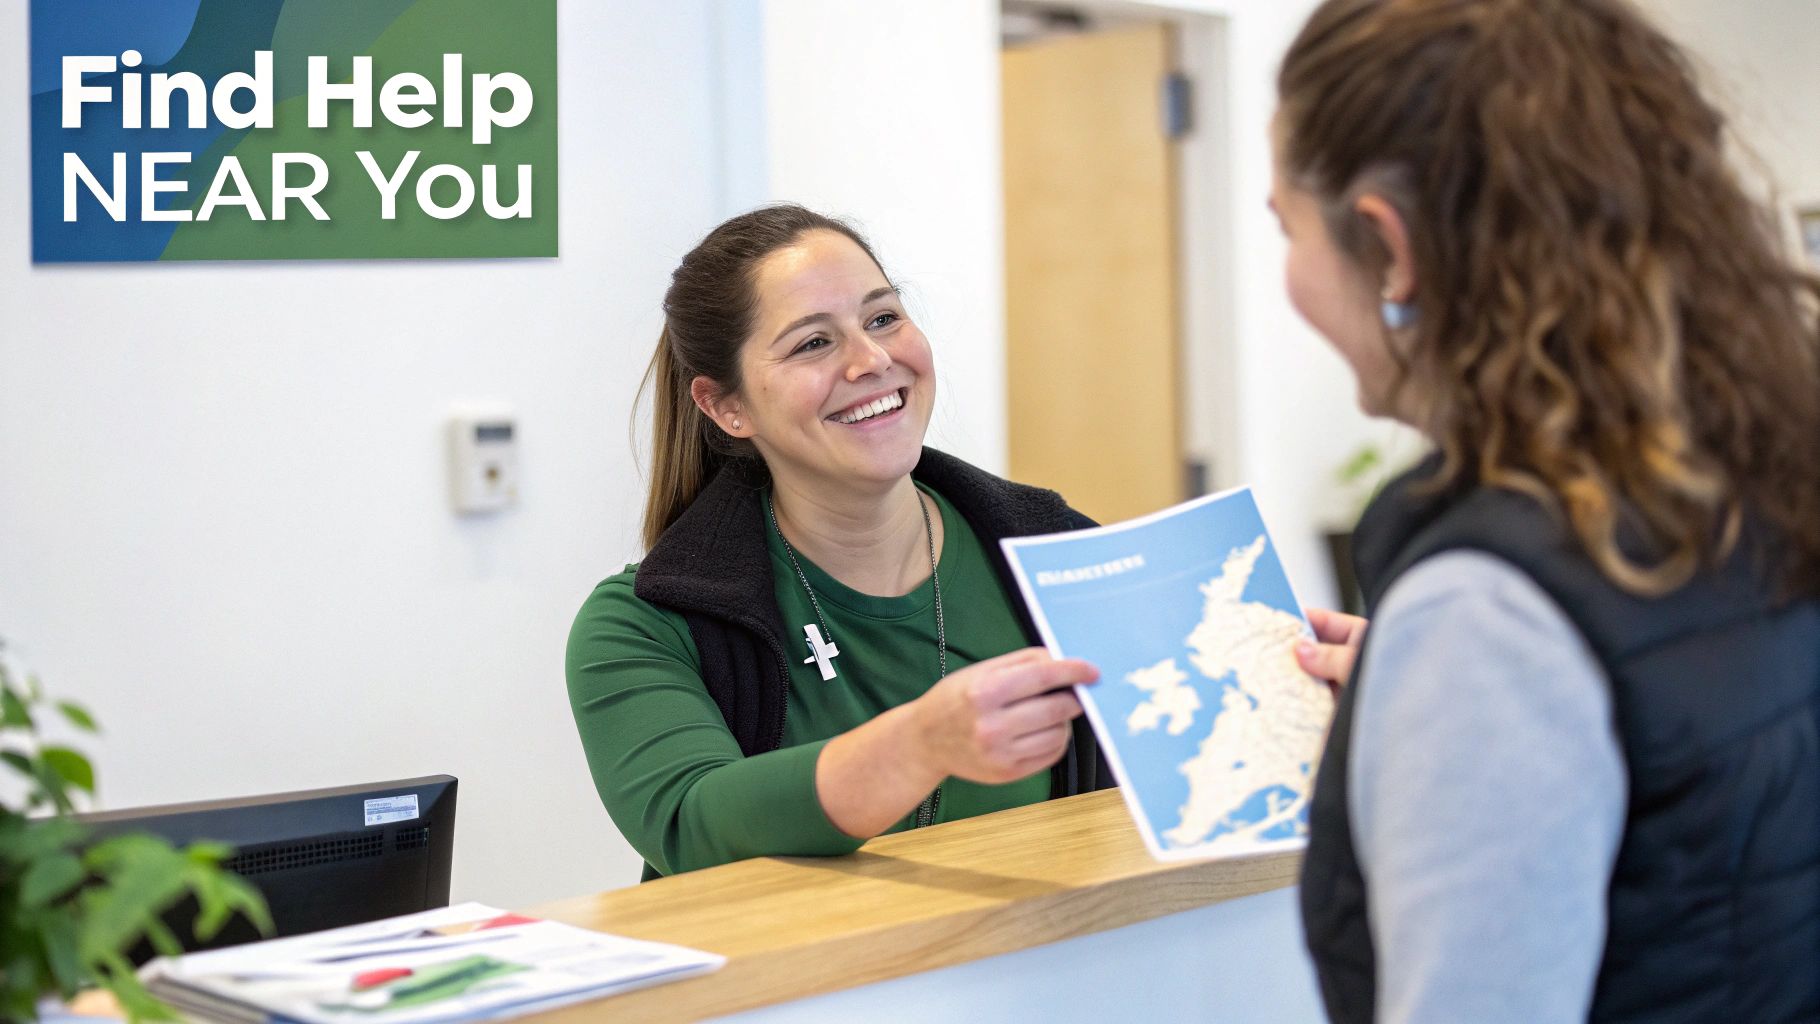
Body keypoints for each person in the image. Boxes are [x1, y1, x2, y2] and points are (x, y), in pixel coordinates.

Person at [1270, 0, 1820, 1020]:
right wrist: (1424, 712)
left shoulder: (1487, 606)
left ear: (1387, 250)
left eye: (1284, 225)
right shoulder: (1751, 482)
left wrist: (1461, 680)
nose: (1288, 277)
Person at [566, 205, 1114, 880]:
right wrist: (920, 744)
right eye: (813, 344)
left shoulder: (1066, 556)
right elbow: (691, 822)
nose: (873, 359)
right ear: (726, 407)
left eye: (883, 318)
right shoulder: (641, 626)